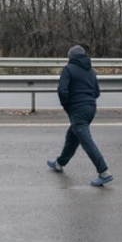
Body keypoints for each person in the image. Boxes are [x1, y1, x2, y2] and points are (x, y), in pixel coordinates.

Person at [46, 45, 113, 186]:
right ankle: (59, 163)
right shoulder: (91, 71)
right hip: (91, 109)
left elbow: (62, 91)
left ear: (70, 57)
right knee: (72, 136)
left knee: (86, 141)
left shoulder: (68, 69)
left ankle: (104, 172)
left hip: (77, 110)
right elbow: (97, 92)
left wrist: (67, 106)